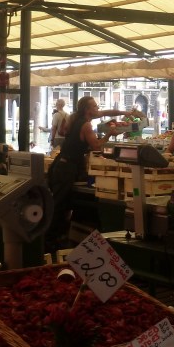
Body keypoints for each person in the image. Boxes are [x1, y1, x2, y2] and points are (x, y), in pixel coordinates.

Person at [45, 97, 137, 246]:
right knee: (60, 205)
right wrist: (109, 135)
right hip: (66, 168)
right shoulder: (86, 125)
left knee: (62, 203)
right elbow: (96, 146)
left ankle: (58, 238)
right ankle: (49, 241)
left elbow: (106, 112)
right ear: (88, 110)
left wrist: (124, 112)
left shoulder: (76, 118)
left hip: (61, 164)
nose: (98, 108)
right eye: (95, 106)